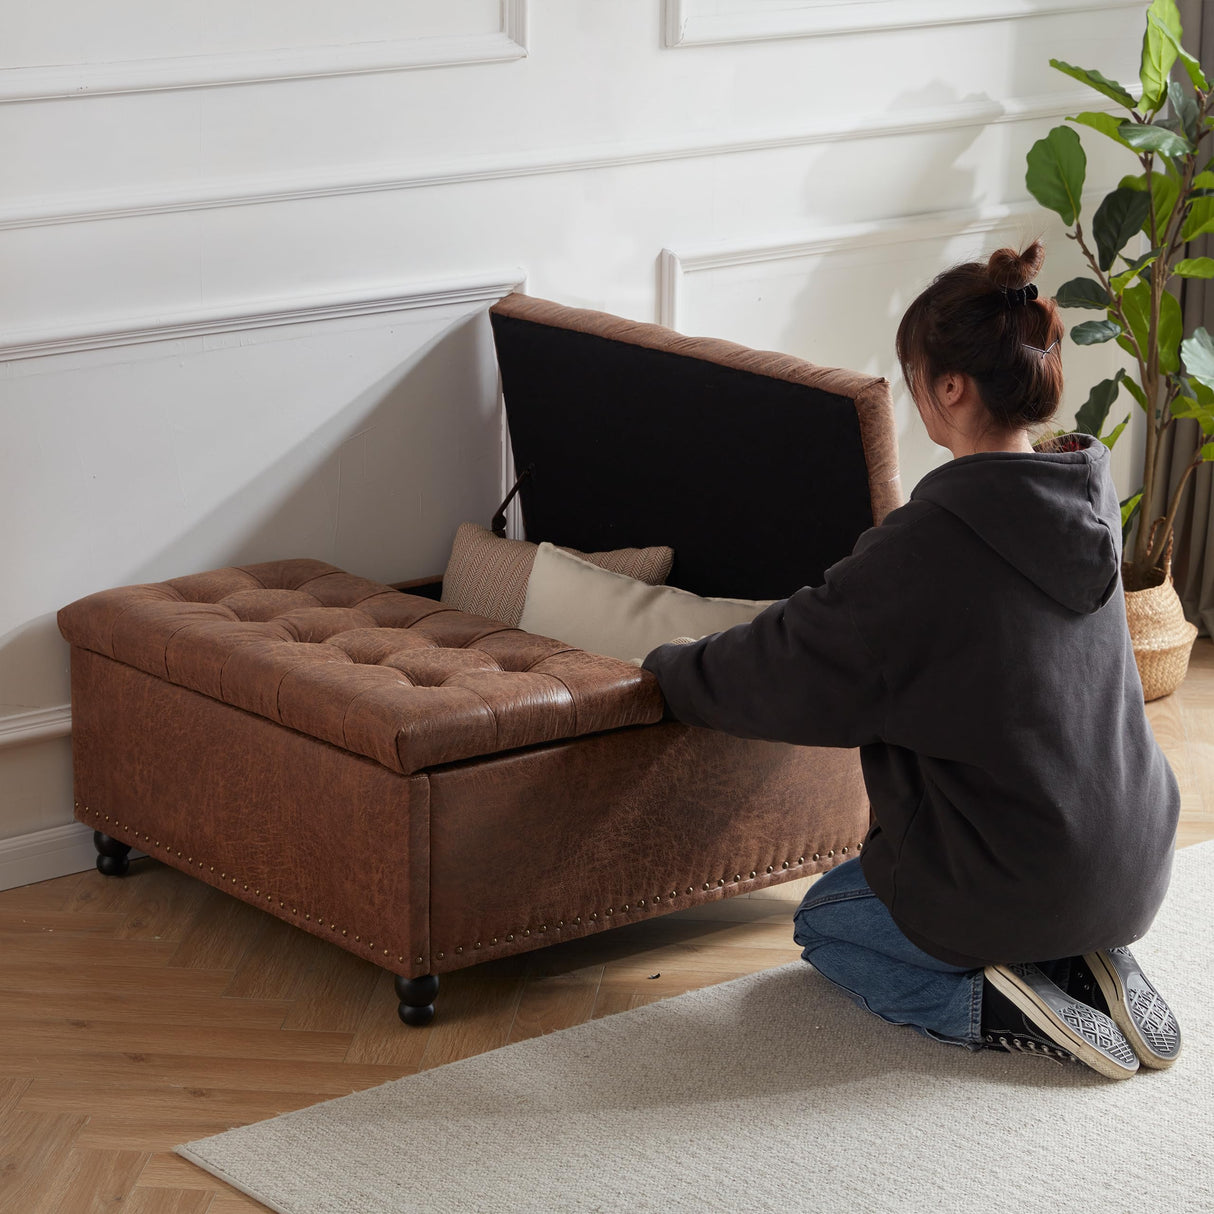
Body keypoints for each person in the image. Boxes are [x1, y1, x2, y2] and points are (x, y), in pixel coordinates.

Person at [641, 242, 1182, 1080]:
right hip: (1135, 864)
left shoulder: (929, 548)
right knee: (998, 883)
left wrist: (669, 669)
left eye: (914, 376)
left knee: (826, 920)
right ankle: (1084, 960)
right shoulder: (1088, 499)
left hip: (1013, 882)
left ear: (952, 388)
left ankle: (997, 1002)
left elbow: (786, 666)